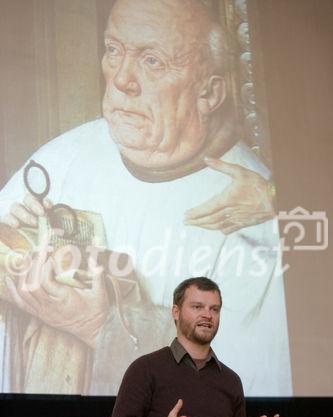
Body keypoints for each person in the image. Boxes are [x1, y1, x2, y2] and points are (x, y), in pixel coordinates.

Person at [0, 0, 291, 396]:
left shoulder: (254, 210)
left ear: (209, 93)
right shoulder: (59, 160)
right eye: (114, 51)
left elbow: (238, 396)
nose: (121, 80)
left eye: (152, 61)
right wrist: (16, 250)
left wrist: (102, 327)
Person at [108, 277, 279, 417]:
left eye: (214, 309)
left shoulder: (230, 381)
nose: (207, 315)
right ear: (176, 312)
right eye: (197, 307)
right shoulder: (145, 369)